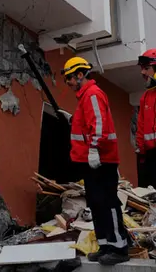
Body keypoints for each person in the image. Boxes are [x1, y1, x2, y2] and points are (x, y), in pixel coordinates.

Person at [63, 56, 130, 265]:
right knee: (97, 204)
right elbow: (87, 124)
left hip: (101, 161)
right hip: (93, 162)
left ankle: (119, 249)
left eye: (70, 79)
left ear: (80, 74)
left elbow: (99, 126)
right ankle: (106, 246)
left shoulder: (92, 93)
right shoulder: (85, 97)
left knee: (108, 203)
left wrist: (93, 150)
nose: (68, 83)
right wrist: (72, 120)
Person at [137, 50, 156, 188]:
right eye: (142, 68)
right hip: (149, 157)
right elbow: (141, 127)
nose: (142, 73)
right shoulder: (145, 97)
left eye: (146, 68)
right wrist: (141, 153)